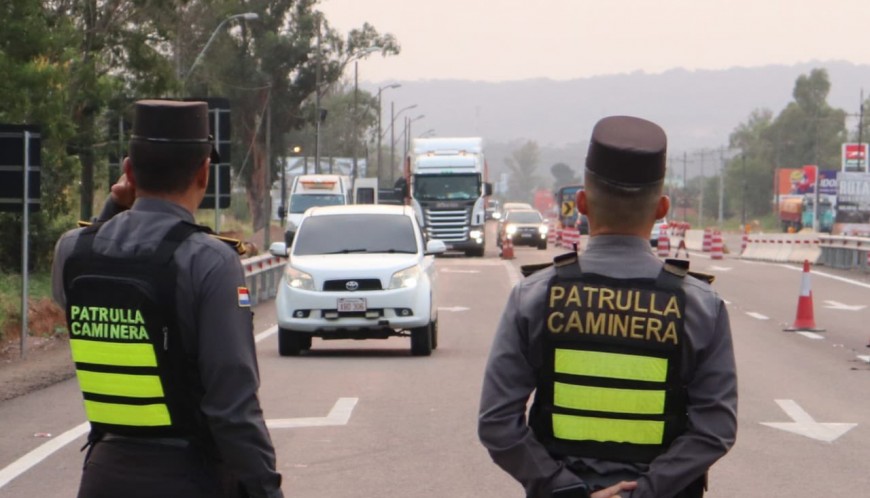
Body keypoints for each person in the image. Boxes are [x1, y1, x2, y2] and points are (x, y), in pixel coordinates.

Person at [478, 115, 737, 498]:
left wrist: (563, 488)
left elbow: (497, 422)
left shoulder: (534, 297)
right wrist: (645, 491)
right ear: (662, 208)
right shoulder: (701, 306)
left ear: (581, 203)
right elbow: (715, 430)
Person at [51, 99, 283, 498]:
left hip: (103, 476)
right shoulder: (211, 262)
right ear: (203, 172)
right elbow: (232, 407)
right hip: (189, 478)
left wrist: (113, 207)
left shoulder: (71, 252)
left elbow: (98, 265)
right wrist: (267, 490)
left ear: (128, 171)